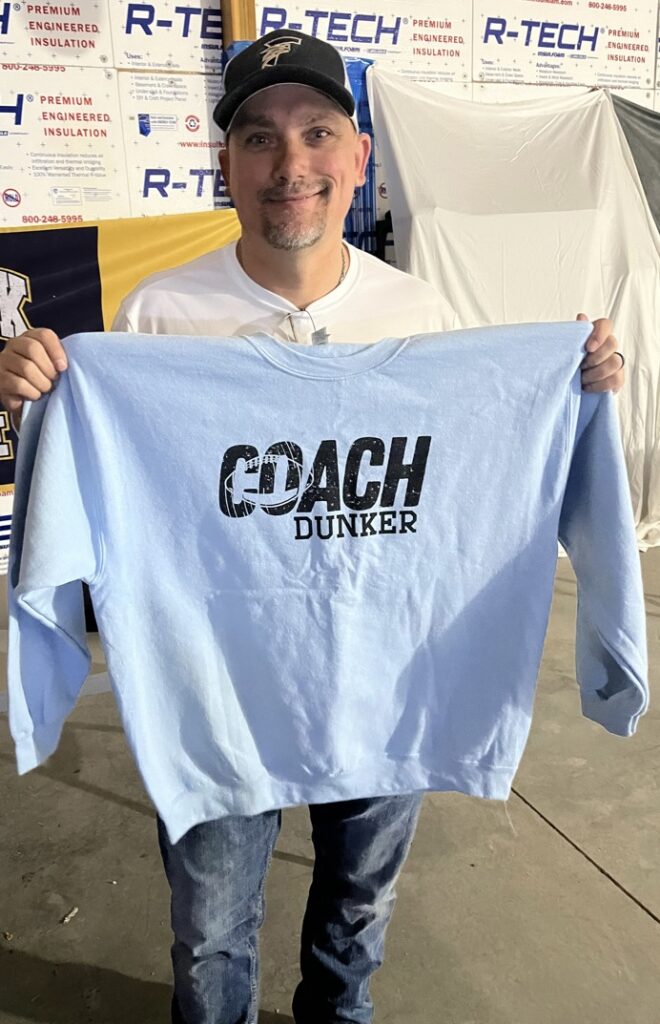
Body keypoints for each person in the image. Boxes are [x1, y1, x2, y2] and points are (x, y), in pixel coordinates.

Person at [0, 30, 626, 1024]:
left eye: (317, 133)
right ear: (228, 166)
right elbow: (107, 493)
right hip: (211, 696)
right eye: (258, 138)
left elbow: (485, 478)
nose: (291, 165)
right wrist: (35, 399)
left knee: (356, 921)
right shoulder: (156, 315)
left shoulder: (421, 316)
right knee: (209, 940)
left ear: (358, 157)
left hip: (387, 684)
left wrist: (573, 390)